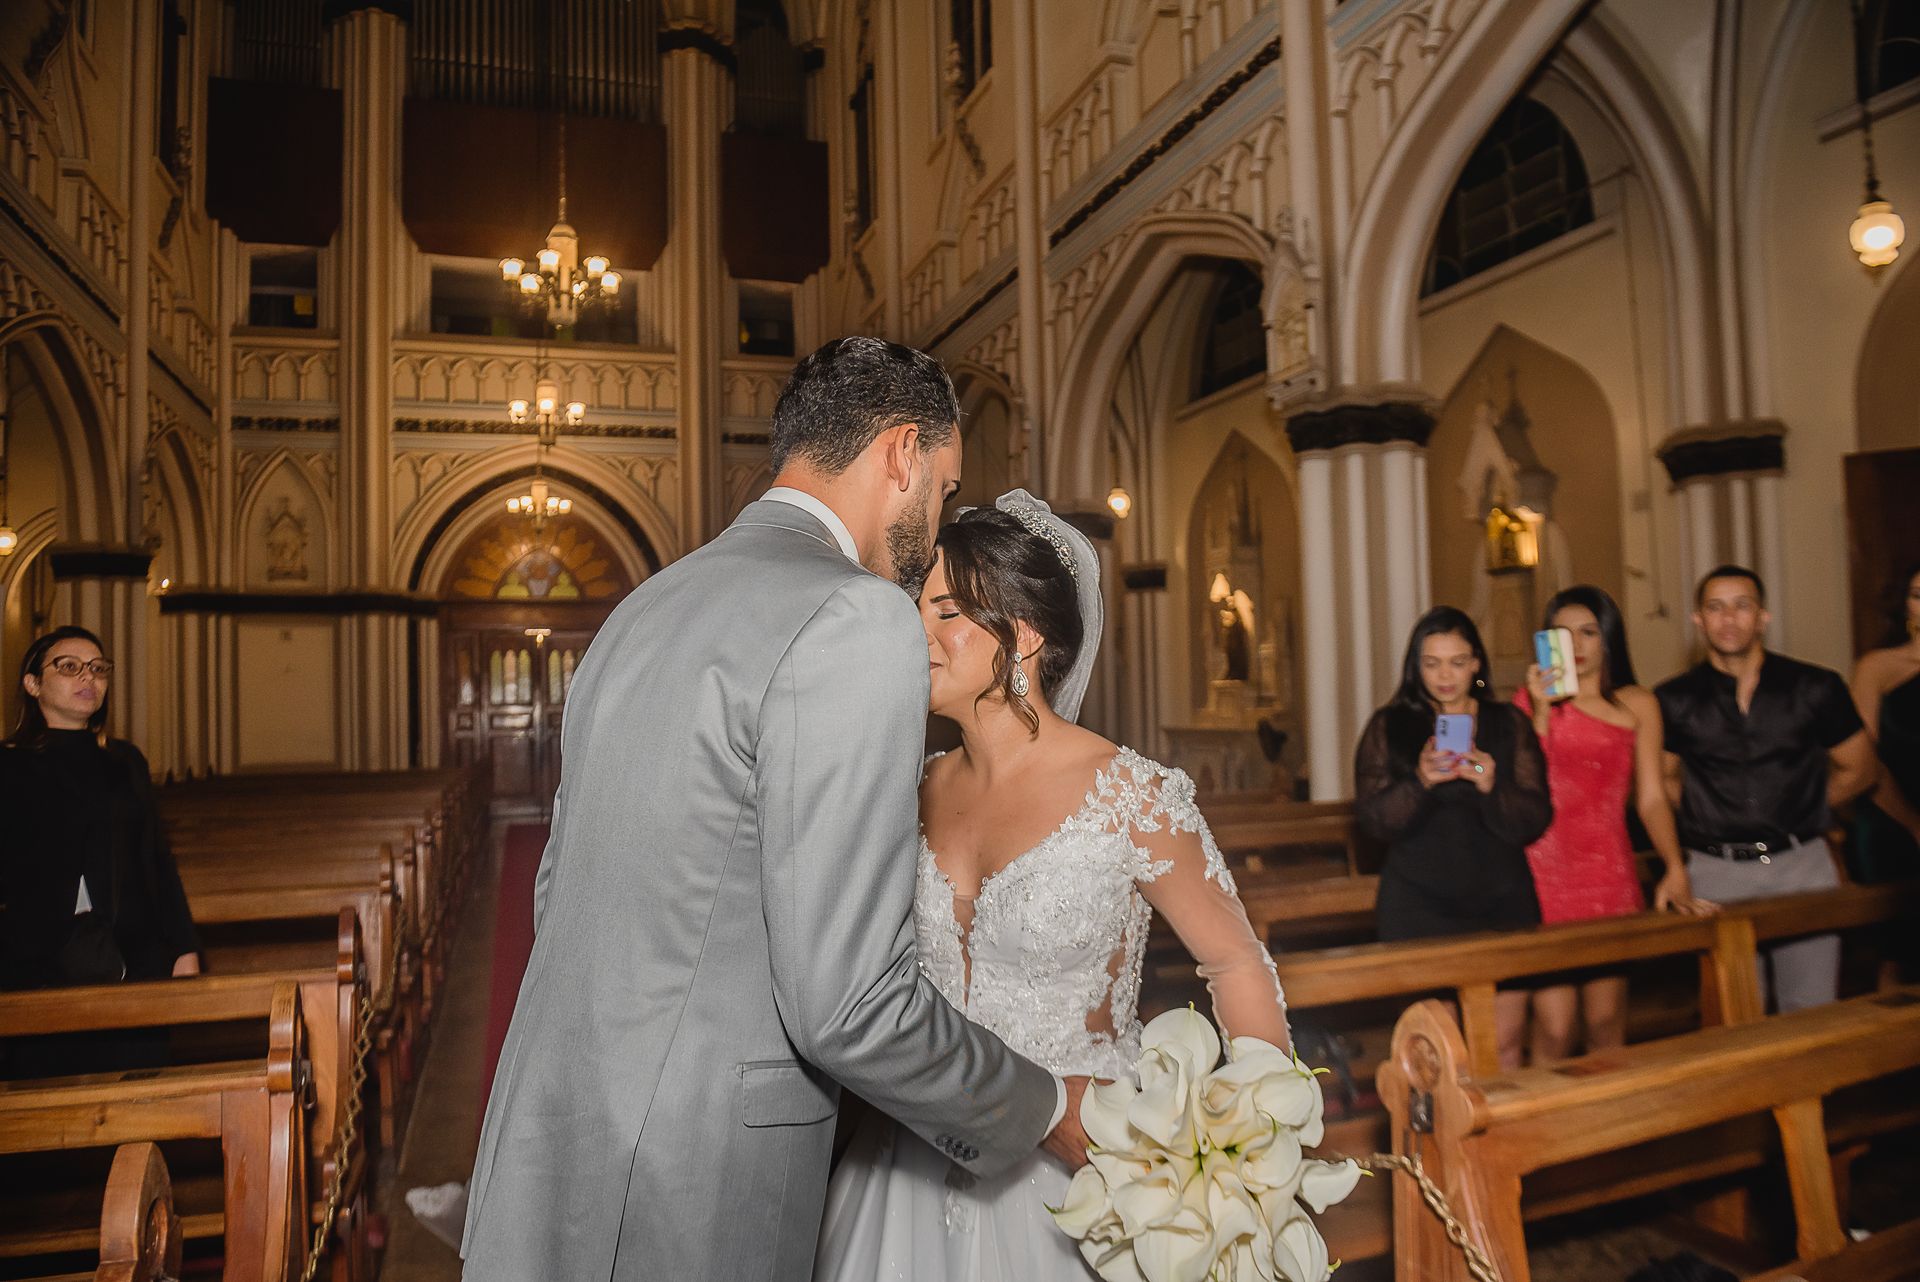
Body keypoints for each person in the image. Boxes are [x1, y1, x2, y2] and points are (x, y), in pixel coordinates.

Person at [460, 339, 1088, 1282]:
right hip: (695, 1178)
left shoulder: (645, 605)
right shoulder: (854, 615)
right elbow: (847, 1007)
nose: (939, 520)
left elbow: (562, 892)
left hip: (551, 1140)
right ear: (901, 454)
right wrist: (1045, 1109)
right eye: (945, 490)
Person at [814, 493, 1289, 1282]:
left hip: (1084, 1161)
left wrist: (1249, 1148)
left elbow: (1238, 965)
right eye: (915, 611)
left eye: (947, 614)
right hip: (911, 1156)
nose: (917, 636)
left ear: (1024, 635)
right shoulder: (916, 787)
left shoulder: (1131, 796)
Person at [1657, 565, 1878, 1012]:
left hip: (1802, 866)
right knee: (1736, 1019)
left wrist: (1804, 808)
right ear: (1698, 620)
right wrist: (1707, 811)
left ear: (1763, 617)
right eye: (1715, 608)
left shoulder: (1815, 686)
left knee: (1811, 1012)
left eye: (1742, 606)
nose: (1729, 619)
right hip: (1715, 873)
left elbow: (1861, 768)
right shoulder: (1674, 698)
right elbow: (1659, 778)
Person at [1517, 586, 1714, 1063]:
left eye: (1589, 632)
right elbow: (1524, 791)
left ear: (1608, 638)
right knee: (1555, 1025)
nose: (1578, 645)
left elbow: (1650, 798)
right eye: (1564, 634)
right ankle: (1546, 1131)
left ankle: (1609, 1133)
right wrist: (1541, 714)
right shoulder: (1529, 702)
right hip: (1542, 876)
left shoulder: (1637, 704)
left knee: (1606, 1023)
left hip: (1607, 872)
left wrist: (1674, 864)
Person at [1354, 606, 1552, 1070]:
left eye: (1458, 662)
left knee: (1503, 1047)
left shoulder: (1509, 724)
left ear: (1477, 663)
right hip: (1420, 902)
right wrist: (1421, 780)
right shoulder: (1391, 726)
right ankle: (1433, 1146)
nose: (1445, 675)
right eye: (1432, 663)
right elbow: (1373, 820)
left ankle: (1506, 1143)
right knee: (1436, 1057)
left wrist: (1490, 785)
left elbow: (1536, 817)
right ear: (1415, 665)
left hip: (1502, 898)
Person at [0, 626, 201, 1076]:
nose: (87, 678)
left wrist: (184, 948)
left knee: (137, 1082)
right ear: (33, 684)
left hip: (133, 949)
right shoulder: (9, 764)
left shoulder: (126, 760)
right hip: (35, 957)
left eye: (98, 669)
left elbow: (157, 859)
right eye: (68, 667)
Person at [1847, 562, 1920, 982]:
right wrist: (1913, 824)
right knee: (1897, 952)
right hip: (1889, 817)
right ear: (1905, 605)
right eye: (1917, 595)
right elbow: (1863, 761)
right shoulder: (1876, 667)